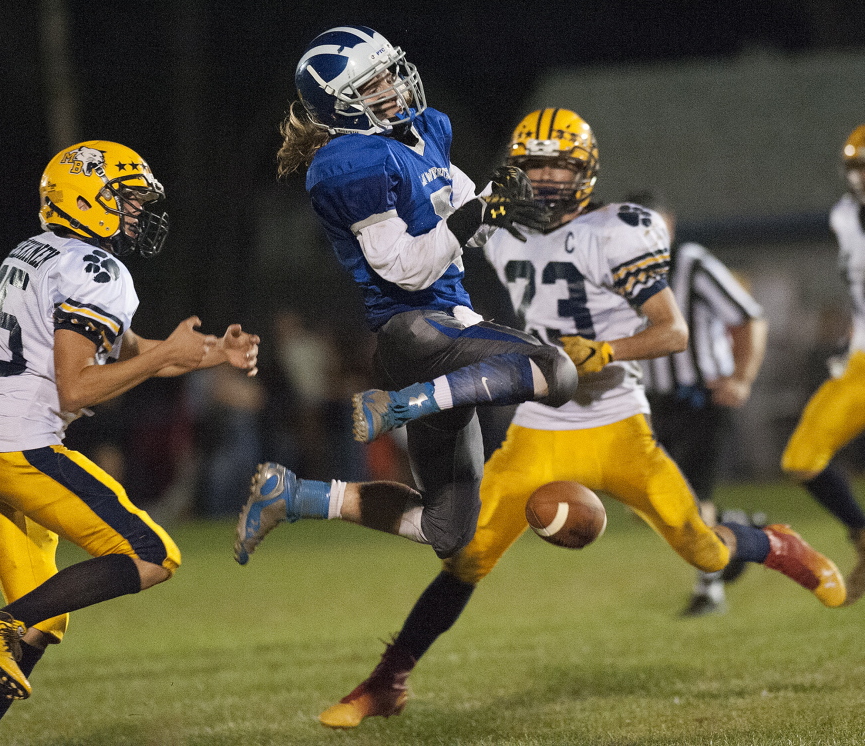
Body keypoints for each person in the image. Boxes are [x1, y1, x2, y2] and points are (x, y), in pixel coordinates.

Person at [315, 109, 847, 729]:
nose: (542, 179)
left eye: (556, 166)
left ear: (584, 171)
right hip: (542, 425)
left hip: (619, 422)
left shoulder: (618, 231)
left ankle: (778, 544)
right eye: (532, 165)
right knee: (465, 559)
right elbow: (433, 240)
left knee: (703, 551)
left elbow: (672, 331)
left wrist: (608, 351)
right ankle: (387, 682)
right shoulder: (503, 229)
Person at [0, 141, 259, 745]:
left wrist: (208, 352)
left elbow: (122, 348)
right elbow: (76, 386)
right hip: (19, 448)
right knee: (152, 554)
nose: (137, 211)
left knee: (42, 618)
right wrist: (167, 352)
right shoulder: (98, 268)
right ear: (85, 196)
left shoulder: (36, 252)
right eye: (127, 197)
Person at [233, 26, 576, 567]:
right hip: (416, 332)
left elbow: (466, 213)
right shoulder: (349, 163)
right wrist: (479, 213)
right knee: (556, 371)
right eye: (373, 83)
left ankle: (298, 496)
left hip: (441, 337)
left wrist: (509, 201)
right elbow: (406, 269)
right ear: (340, 105)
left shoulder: (420, 133)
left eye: (390, 72)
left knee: (449, 530)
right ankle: (400, 405)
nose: (392, 86)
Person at [631, 191, 770, 617]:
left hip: (700, 397)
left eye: (651, 223)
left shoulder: (691, 262)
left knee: (693, 496)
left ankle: (709, 593)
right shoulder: (622, 271)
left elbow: (749, 316)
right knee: (651, 507)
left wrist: (742, 378)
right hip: (653, 401)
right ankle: (742, 531)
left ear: (669, 225)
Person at [781, 123, 865, 606]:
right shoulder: (844, 216)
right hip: (861, 365)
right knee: (801, 459)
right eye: (859, 169)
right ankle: (862, 535)